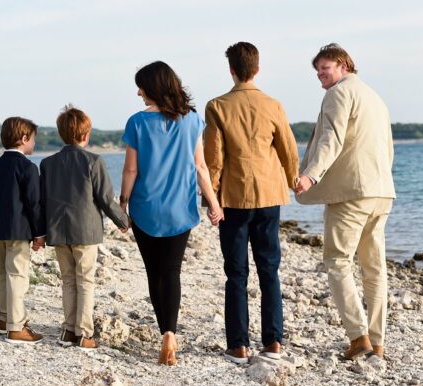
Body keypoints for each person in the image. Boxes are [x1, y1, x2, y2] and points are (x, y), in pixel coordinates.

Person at [294, 44, 395, 362]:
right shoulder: (375, 98)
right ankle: (377, 342)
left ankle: (358, 337)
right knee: (374, 268)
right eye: (318, 70)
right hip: (381, 190)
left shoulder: (339, 93)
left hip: (352, 192)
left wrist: (310, 175)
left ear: (343, 65)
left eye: (326, 68)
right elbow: (387, 147)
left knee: (337, 262)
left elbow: (331, 138)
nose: (321, 75)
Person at [120, 61, 224, 365]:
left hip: (145, 208)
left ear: (153, 87)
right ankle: (171, 333)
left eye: (141, 86)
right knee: (172, 272)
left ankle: (164, 329)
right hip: (181, 208)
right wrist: (214, 205)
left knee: (155, 273)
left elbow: (130, 169)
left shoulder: (136, 122)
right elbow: (201, 167)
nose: (138, 92)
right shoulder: (192, 120)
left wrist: (123, 203)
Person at [204, 42, 299, 364]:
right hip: (270, 195)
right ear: (257, 69)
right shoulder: (273, 104)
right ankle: (273, 342)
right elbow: (287, 147)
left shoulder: (217, 106)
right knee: (269, 269)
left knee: (236, 272)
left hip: (233, 197)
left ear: (231, 69)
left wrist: (211, 197)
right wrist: (293, 178)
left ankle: (239, 345)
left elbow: (213, 158)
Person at [40, 104, 130, 350]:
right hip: (86, 232)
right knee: (85, 282)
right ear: (85, 135)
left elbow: (43, 200)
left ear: (61, 134)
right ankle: (84, 334)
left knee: (68, 281)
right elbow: (105, 198)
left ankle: (68, 330)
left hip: (58, 230)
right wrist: (123, 220)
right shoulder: (94, 161)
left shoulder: (47, 164)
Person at [0, 116, 47, 344]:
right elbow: (33, 204)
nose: (34, 144)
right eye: (33, 139)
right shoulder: (27, 167)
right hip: (18, 231)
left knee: (1, 274)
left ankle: (1, 318)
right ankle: (16, 328)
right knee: (17, 275)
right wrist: (39, 233)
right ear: (24, 138)